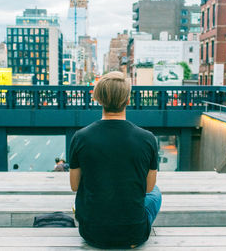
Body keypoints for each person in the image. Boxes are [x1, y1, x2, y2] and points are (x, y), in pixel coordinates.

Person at [69, 72, 161, 249]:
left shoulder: (80, 137)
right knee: (155, 193)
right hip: (135, 234)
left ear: (100, 100)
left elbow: (74, 186)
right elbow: (148, 188)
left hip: (92, 234)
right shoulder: (148, 138)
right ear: (127, 101)